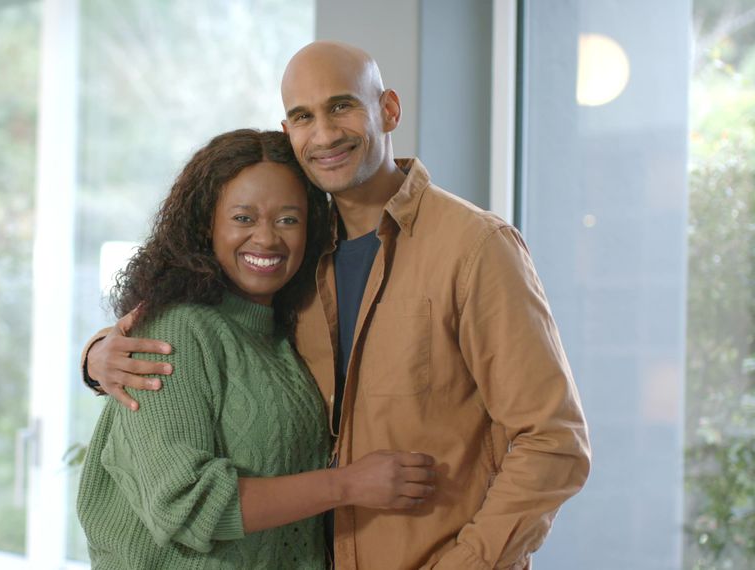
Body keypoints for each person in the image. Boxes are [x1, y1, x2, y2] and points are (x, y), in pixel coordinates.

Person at [83, 42, 592, 569]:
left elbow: (553, 441)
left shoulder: (475, 248)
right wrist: (98, 355)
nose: (324, 134)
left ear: (388, 109)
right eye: (304, 116)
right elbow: (215, 342)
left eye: (342, 106)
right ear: (289, 132)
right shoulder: (296, 260)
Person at [76, 128, 437, 570]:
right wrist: (347, 485)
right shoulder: (175, 330)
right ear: (206, 224)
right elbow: (186, 503)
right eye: (243, 218)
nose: (266, 239)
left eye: (288, 220)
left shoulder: (288, 332)